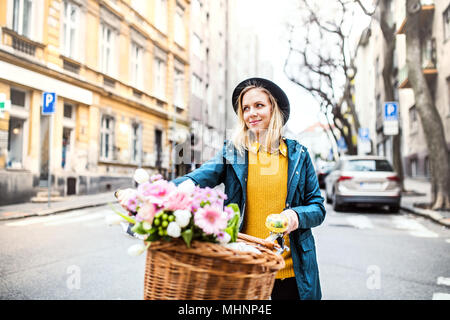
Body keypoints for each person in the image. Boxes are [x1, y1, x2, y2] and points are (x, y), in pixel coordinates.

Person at [172, 77, 326, 300]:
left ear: (274, 109)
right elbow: (198, 177)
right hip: (247, 271)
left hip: (292, 272)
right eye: (246, 108)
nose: (251, 113)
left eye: (259, 105)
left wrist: (294, 216)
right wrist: (159, 193)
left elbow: (318, 208)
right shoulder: (234, 153)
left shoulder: (298, 155)